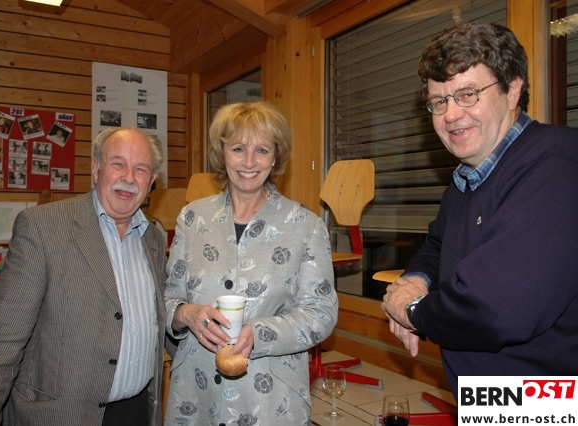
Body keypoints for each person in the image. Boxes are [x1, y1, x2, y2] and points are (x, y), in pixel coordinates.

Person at [381, 22, 578, 393]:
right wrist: (415, 280)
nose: (451, 115)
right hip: (486, 401)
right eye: (439, 102)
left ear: (512, 90)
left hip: (549, 405)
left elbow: (496, 310)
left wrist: (410, 310)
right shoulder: (465, 181)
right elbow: (436, 246)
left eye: (467, 94)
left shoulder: (558, 167)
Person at [0, 127, 168, 426]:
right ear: (96, 168)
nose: (129, 177)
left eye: (141, 169)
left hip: (135, 414)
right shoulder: (43, 228)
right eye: (118, 163)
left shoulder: (154, 239)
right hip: (59, 416)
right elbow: (1, 342)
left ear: (152, 179)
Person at [164, 101, 338, 425]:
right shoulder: (192, 217)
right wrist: (185, 313)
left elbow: (321, 313)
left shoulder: (306, 225)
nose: (248, 162)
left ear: (275, 157)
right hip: (195, 393)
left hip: (270, 400)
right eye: (238, 149)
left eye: (261, 150)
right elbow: (167, 298)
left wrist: (260, 333)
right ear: (222, 153)